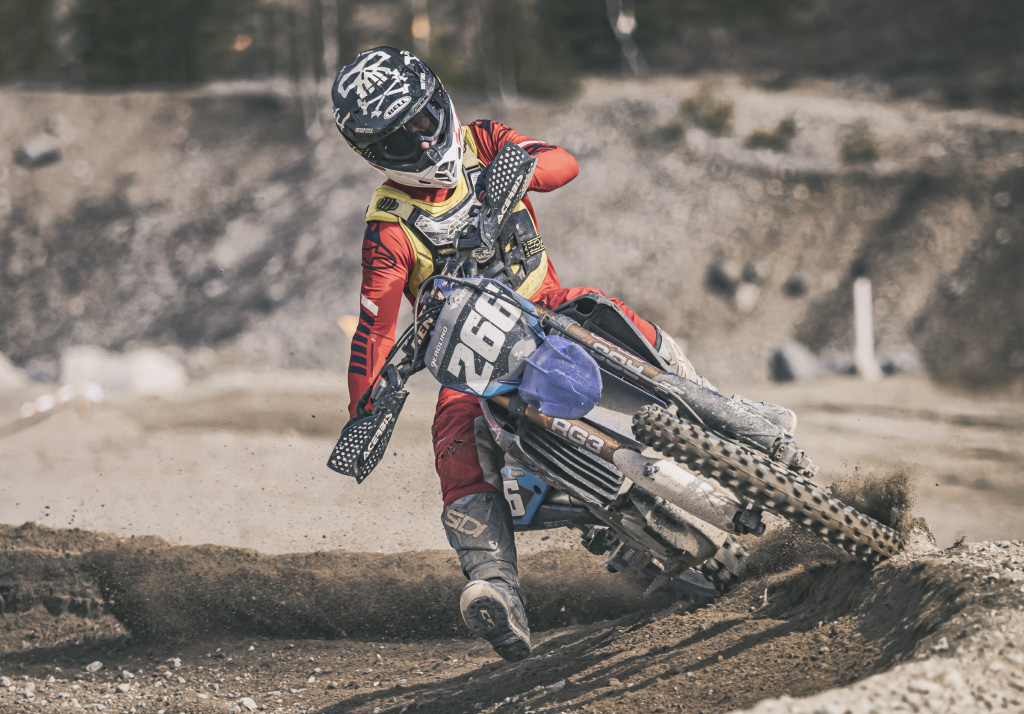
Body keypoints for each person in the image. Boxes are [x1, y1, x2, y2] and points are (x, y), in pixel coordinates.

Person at [330, 46, 793, 662]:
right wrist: (365, 410)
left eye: (422, 120)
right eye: (397, 140)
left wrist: (516, 174)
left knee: (608, 311)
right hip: (472, 362)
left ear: (439, 101)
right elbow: (374, 329)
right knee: (453, 437)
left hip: (546, 307)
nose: (420, 142)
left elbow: (564, 162)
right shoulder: (389, 226)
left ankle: (722, 409)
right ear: (372, 154)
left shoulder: (484, 143)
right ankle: (495, 586)